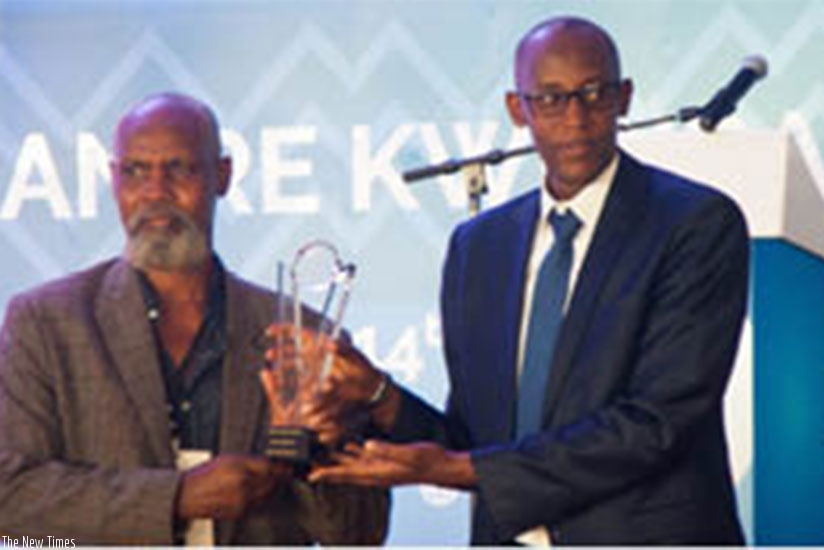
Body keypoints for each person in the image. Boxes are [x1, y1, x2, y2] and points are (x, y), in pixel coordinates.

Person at [307, 16, 749, 545]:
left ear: (625, 97)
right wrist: (378, 394)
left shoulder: (693, 222)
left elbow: (655, 424)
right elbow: (476, 437)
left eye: (594, 93)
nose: (577, 118)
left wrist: (453, 470)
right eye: (552, 99)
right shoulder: (478, 247)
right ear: (519, 110)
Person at [0, 93, 388, 545]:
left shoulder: (307, 336)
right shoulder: (47, 323)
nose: (155, 193)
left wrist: (323, 443)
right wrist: (177, 498)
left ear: (221, 176)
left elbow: (361, 533)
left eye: (180, 169)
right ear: (113, 179)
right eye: (136, 172)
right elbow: (11, 494)